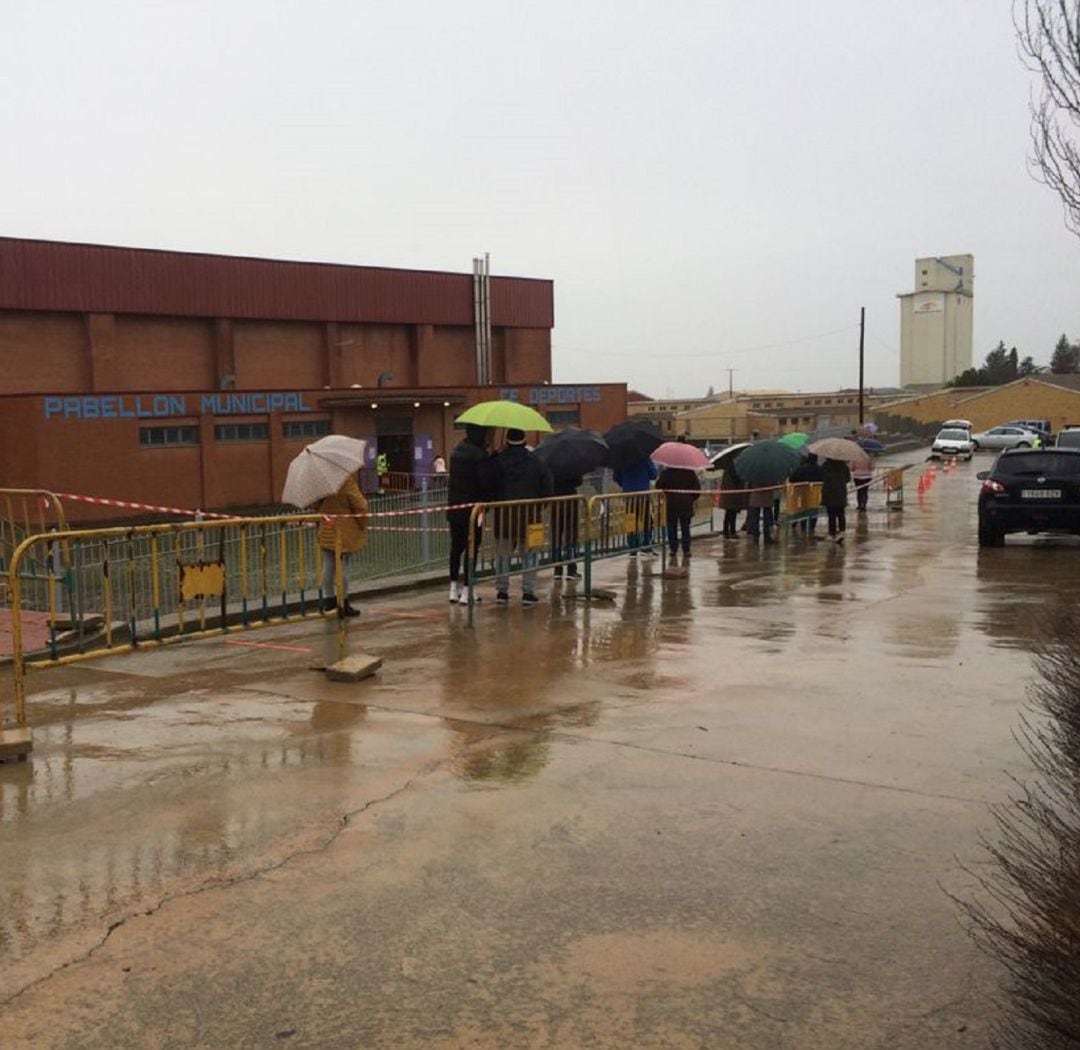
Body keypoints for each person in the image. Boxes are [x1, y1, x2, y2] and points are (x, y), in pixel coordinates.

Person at [489, 428, 553, 605]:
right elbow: (547, 487)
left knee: (503, 555)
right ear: (524, 441)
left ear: (507, 441)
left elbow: (490, 485)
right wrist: (540, 506)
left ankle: (502, 592)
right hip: (531, 516)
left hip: (504, 517)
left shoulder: (497, 462)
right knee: (530, 555)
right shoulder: (537, 461)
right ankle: (528, 592)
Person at [446, 424, 492, 605]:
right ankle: (467, 590)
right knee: (471, 548)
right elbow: (484, 484)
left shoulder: (456, 452)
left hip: (454, 507)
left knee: (456, 548)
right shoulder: (479, 456)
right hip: (473, 510)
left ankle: (452, 588)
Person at [316, 473, 368, 617]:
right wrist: (362, 525)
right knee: (344, 566)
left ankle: (329, 601)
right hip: (344, 531)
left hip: (326, 528)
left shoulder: (321, 482)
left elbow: (315, 505)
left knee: (328, 565)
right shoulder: (346, 481)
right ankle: (343, 602)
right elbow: (360, 506)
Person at [613, 456, 658, 556]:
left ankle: (632, 547)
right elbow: (653, 474)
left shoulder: (621, 459)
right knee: (646, 520)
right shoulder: (644, 457)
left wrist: (625, 484)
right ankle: (646, 546)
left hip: (629, 496)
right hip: (643, 496)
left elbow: (616, 476)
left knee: (630, 521)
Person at [656, 465, 701, 561]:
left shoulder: (666, 473)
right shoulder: (690, 473)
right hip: (686, 505)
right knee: (685, 528)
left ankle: (673, 549)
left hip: (671, 504)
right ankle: (686, 550)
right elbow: (697, 490)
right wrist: (690, 499)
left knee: (671, 527)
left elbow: (658, 486)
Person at [552, 473, 583, 580]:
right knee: (571, 537)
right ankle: (571, 570)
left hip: (555, 502)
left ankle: (557, 569)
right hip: (570, 503)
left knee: (556, 537)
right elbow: (579, 481)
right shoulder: (572, 465)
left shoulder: (550, 463)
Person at [791, 452, 824, 536]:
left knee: (804, 509)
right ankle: (812, 528)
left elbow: (793, 479)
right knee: (814, 510)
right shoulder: (820, 469)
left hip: (803, 492)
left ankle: (803, 526)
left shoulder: (801, 468)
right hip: (815, 493)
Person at [821, 457, 851, 542]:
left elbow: (821, 477)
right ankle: (842, 531)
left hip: (829, 492)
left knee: (831, 514)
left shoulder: (825, 466)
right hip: (840, 492)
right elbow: (848, 479)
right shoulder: (843, 466)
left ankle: (832, 533)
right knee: (841, 513)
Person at [718, 463, 747, 538]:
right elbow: (737, 480)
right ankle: (732, 531)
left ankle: (726, 531)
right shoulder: (735, 469)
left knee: (728, 513)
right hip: (733, 495)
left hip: (728, 495)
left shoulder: (728, 469)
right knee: (732, 513)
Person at [850, 432, 873, 512]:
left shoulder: (855, 457)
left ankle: (859, 505)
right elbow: (872, 468)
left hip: (857, 477)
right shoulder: (868, 457)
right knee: (865, 491)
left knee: (859, 491)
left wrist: (855, 469)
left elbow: (851, 468)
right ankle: (864, 505)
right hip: (867, 477)